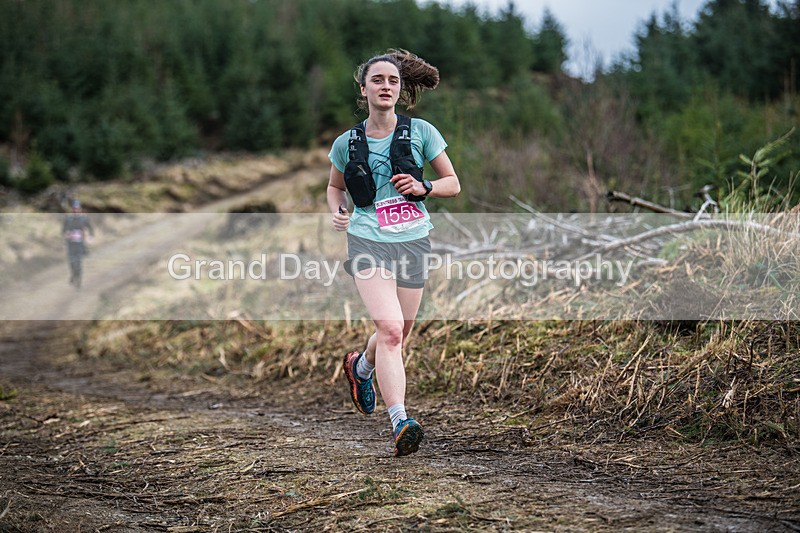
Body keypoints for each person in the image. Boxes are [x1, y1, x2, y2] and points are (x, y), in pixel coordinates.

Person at [327, 49, 461, 457]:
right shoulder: (346, 142)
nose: (386, 86)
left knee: (400, 332)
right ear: (363, 87)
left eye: (393, 81)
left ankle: (361, 367)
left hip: (413, 239)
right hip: (367, 241)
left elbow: (453, 182)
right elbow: (335, 187)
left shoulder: (421, 132)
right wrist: (339, 211)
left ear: (401, 90)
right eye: (378, 80)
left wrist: (425, 189)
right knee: (389, 331)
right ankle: (401, 421)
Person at [62, 199, 93, 288]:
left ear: (80, 209)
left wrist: (90, 238)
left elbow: (90, 228)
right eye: (74, 209)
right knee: (71, 262)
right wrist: (66, 233)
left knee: (79, 262)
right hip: (71, 243)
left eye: (77, 208)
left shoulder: (84, 218)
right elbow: (63, 229)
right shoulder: (68, 218)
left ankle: (78, 280)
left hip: (80, 243)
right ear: (72, 209)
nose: (76, 210)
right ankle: (73, 275)